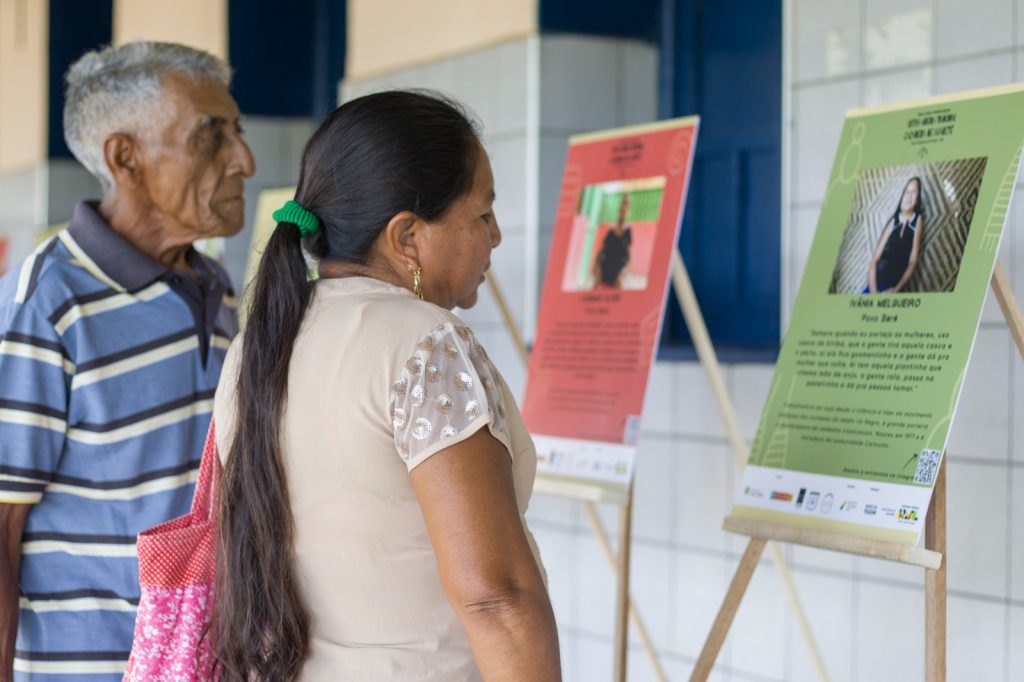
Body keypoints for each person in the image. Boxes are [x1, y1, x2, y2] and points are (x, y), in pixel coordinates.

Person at [211, 91, 560, 681]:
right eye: (480, 215)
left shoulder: (258, 345)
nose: (496, 236)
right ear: (406, 238)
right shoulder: (425, 343)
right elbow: (494, 596)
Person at [0, 42, 254, 680]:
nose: (244, 161)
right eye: (211, 137)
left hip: (200, 664)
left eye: (238, 133)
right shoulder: (44, 306)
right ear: (125, 158)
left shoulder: (216, 287)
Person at [866, 176, 925, 293]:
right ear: (902, 196)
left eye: (914, 192)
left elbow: (913, 261)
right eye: (907, 192)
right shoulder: (893, 221)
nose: (909, 196)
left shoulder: (918, 220)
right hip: (876, 284)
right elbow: (874, 260)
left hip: (894, 288)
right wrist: (873, 290)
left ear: (918, 198)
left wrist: (896, 289)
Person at [593, 193, 633, 288]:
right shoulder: (610, 231)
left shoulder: (628, 232)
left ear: (628, 209)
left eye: (626, 204)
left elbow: (629, 257)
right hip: (604, 269)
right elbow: (600, 251)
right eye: (622, 203)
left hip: (618, 273)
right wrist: (597, 269)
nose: (623, 207)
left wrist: (623, 273)